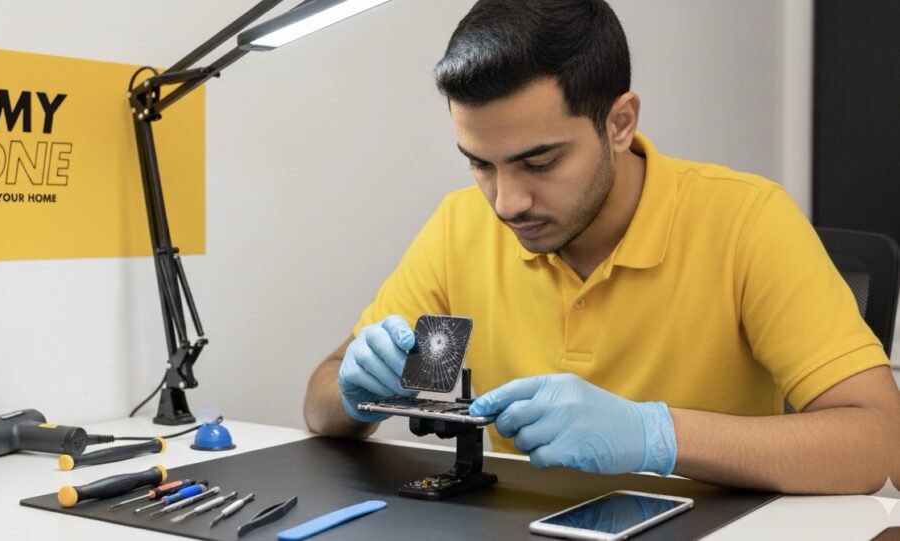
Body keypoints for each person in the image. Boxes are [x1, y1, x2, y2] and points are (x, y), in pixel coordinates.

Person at [302, 0, 900, 494]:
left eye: (540, 162)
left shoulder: (746, 219)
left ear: (619, 123)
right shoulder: (461, 226)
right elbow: (322, 400)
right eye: (481, 164)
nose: (506, 202)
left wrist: (654, 435)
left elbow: (876, 442)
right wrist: (359, 394)